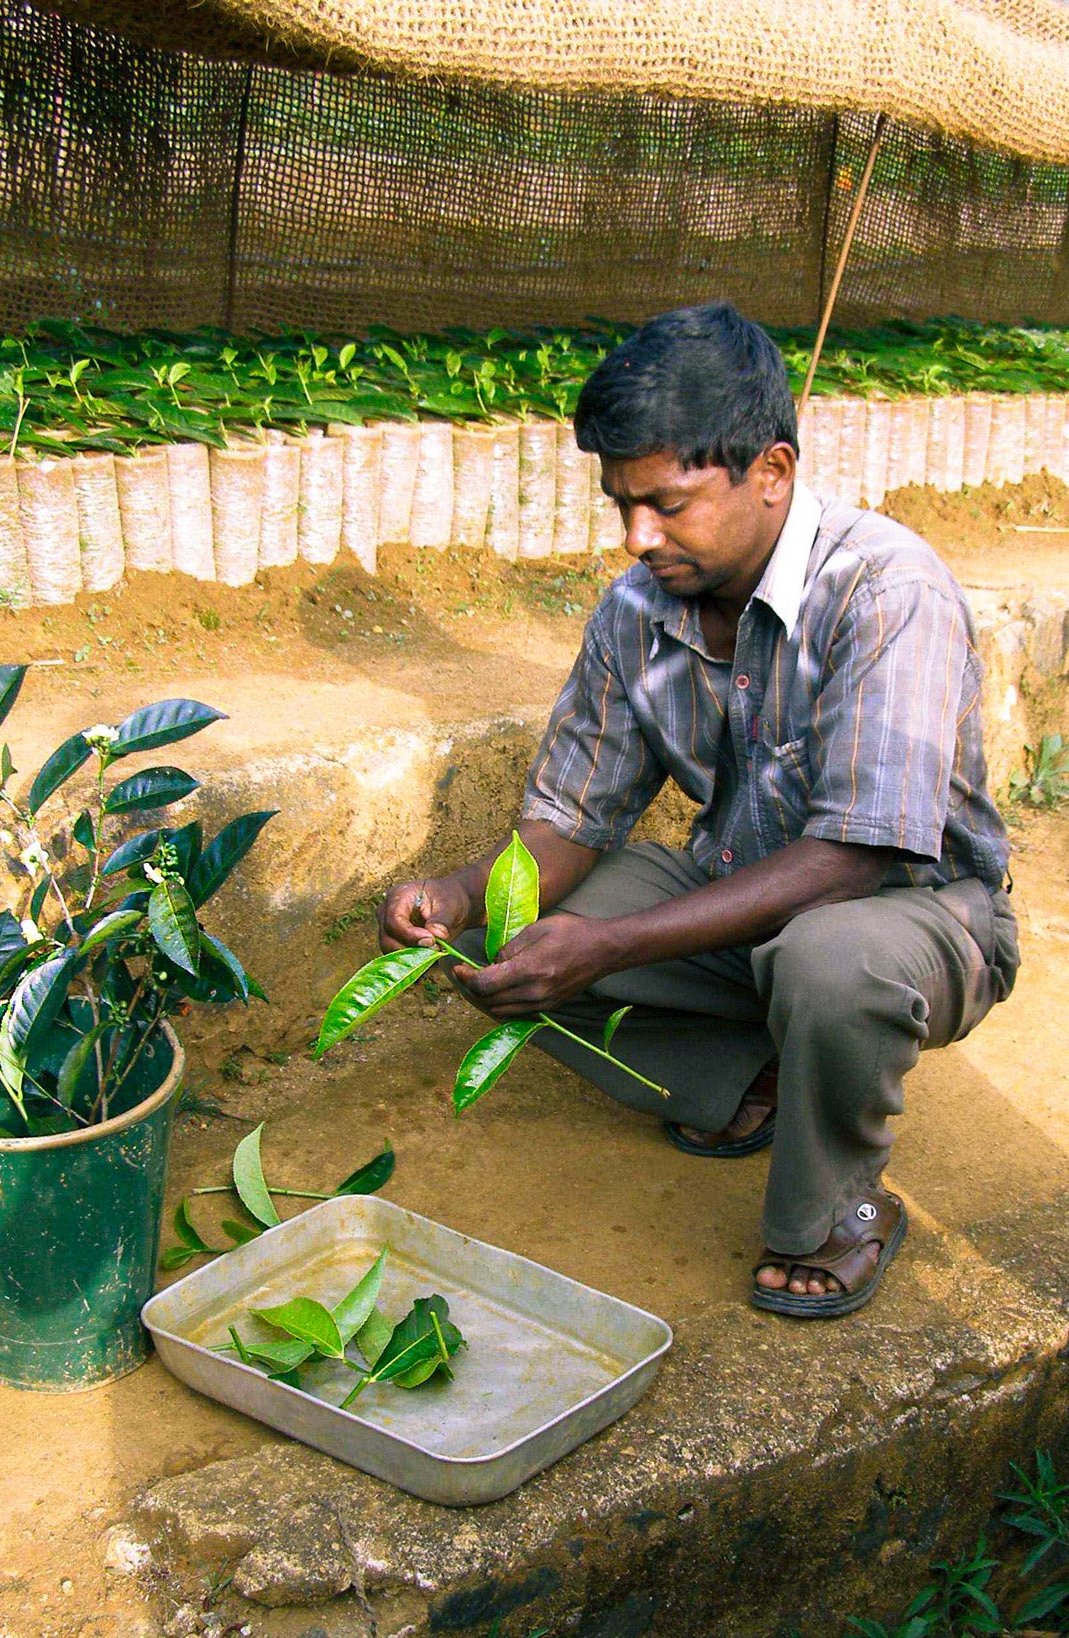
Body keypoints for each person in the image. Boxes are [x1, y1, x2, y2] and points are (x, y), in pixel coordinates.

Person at [376, 302, 1019, 1318]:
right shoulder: (638, 613)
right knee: (516, 938)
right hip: (738, 898)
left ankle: (840, 1209)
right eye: (621, 503)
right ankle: (757, 1076)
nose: (637, 537)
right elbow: (572, 821)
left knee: (828, 962)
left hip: (922, 914)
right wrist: (455, 895)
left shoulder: (885, 587)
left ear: (771, 471)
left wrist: (607, 944)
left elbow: (853, 859)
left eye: (668, 504)